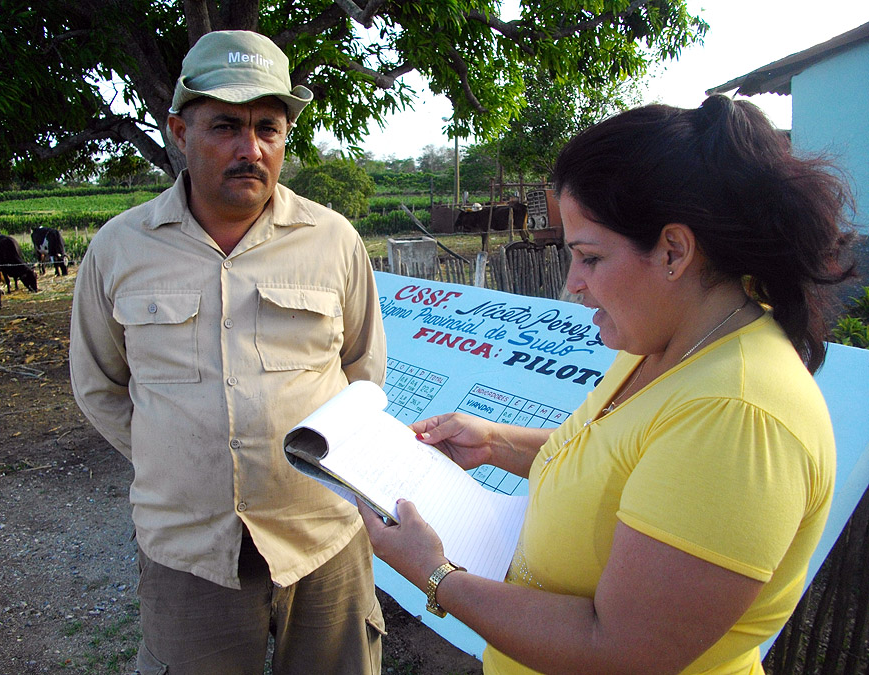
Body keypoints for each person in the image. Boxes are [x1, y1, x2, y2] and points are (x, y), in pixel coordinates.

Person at [359, 95, 856, 675]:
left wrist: (437, 574)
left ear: (673, 251)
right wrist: (496, 442)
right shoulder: (664, 342)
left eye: (590, 257)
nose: (572, 284)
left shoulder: (738, 417)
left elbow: (619, 650)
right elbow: (620, 465)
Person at [69, 30, 387, 675]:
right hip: (189, 550)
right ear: (179, 133)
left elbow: (362, 370)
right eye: (224, 127)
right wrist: (184, 456)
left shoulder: (333, 240)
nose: (250, 149)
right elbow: (99, 384)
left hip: (321, 537)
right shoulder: (120, 248)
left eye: (268, 127)